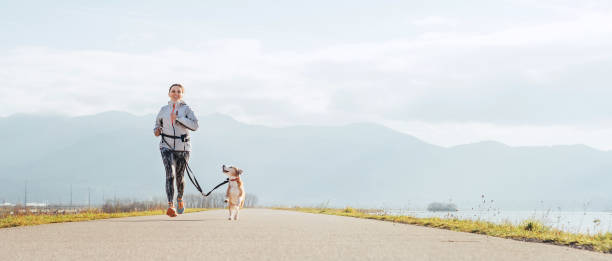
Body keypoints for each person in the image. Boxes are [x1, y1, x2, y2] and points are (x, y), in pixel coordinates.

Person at [153, 83, 199, 217]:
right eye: (173, 91)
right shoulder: (163, 110)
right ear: (169, 94)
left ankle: (179, 198)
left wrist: (178, 119)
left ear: (182, 94)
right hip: (166, 146)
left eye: (179, 91)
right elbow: (156, 125)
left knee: (179, 177)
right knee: (170, 174)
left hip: (183, 148)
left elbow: (195, 125)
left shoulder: (186, 109)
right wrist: (156, 130)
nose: (176, 93)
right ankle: (170, 205)